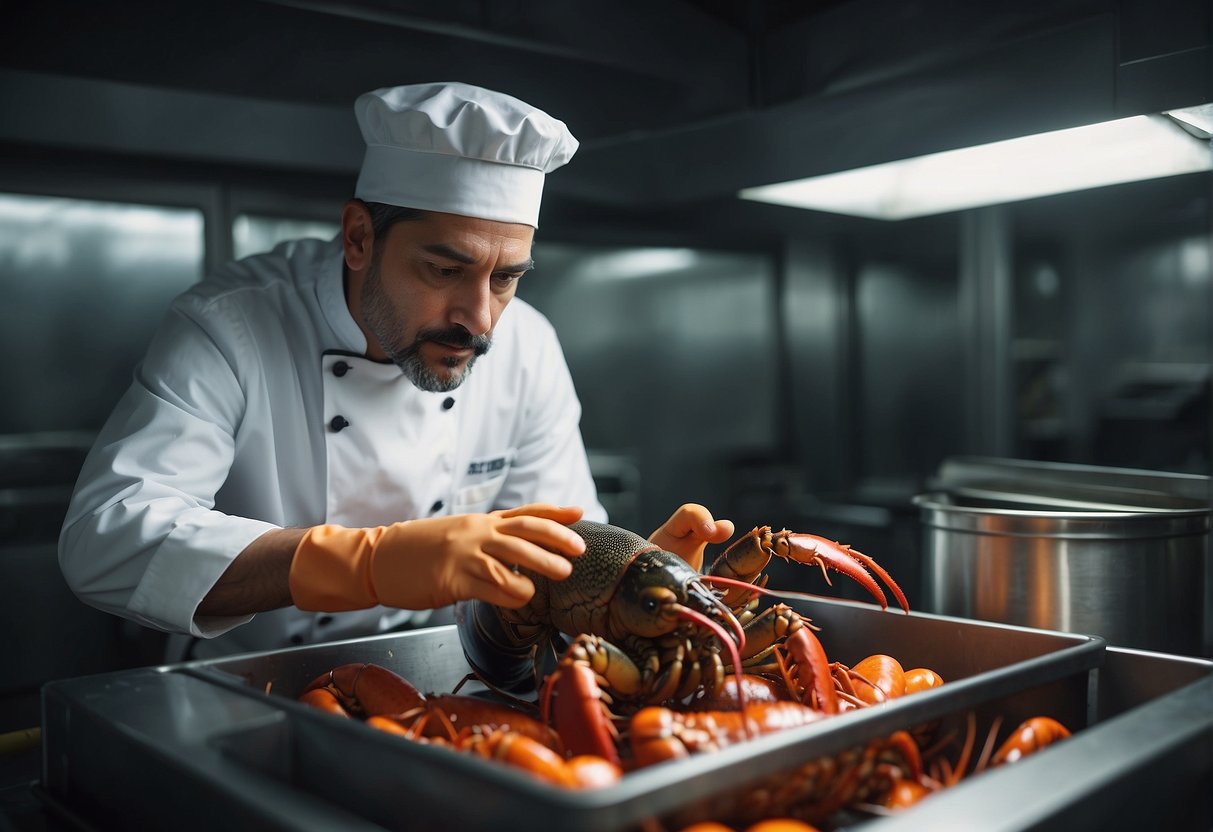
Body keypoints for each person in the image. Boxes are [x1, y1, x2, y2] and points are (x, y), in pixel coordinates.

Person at [58, 81, 732, 659]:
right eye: (444, 270)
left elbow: (556, 556)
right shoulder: (232, 327)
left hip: (445, 670)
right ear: (359, 238)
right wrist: (367, 563)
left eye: (505, 279)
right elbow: (108, 540)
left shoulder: (526, 346)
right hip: (236, 684)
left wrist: (626, 587)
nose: (480, 319)